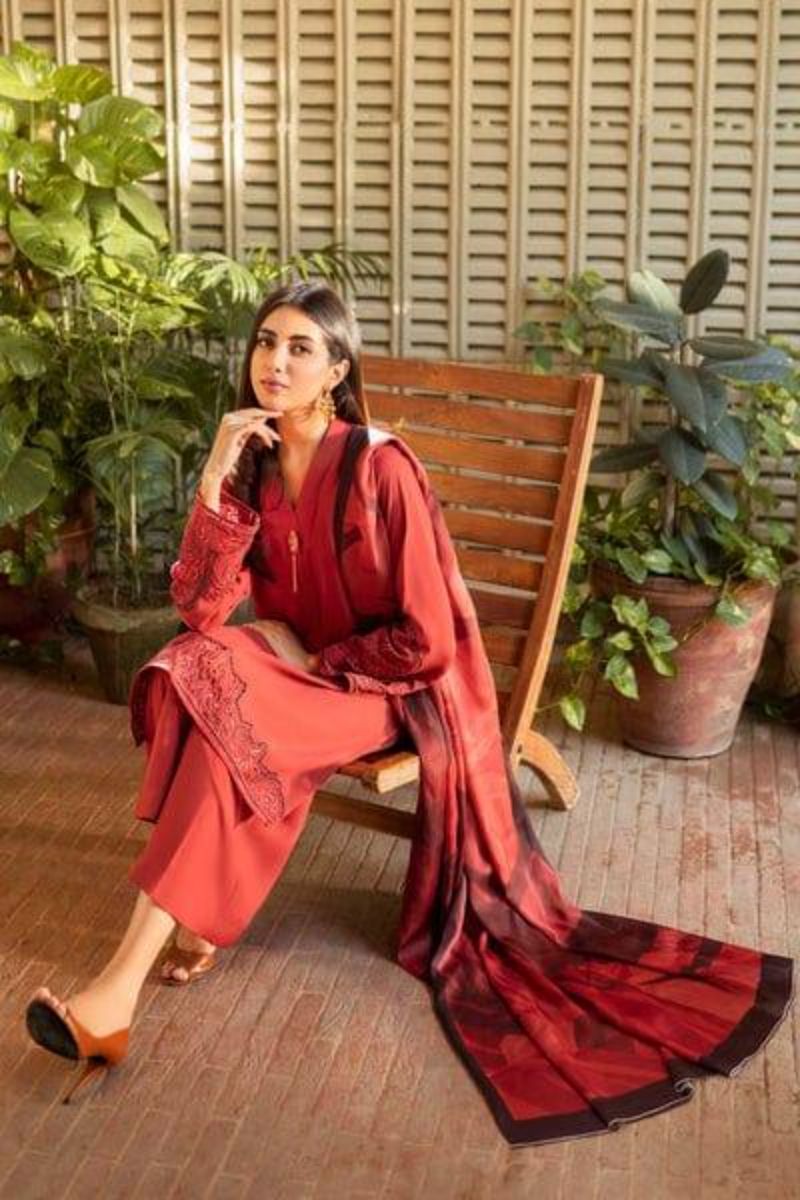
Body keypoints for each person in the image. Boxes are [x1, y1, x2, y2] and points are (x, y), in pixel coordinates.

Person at [25, 283, 795, 1146]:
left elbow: (427, 642)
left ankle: (126, 981)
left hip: (387, 690)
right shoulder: (252, 465)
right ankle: (131, 982)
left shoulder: (380, 468)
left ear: (337, 370)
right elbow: (202, 609)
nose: (275, 361)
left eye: (301, 348)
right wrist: (211, 477)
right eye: (266, 342)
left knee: (221, 704)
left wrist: (318, 661)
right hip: (296, 682)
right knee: (197, 670)